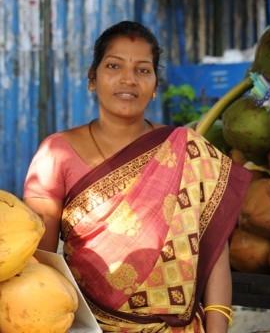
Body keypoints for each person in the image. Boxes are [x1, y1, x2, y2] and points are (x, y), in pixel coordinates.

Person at [24, 21, 251, 332]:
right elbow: (40, 266)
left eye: (143, 70)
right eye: (114, 66)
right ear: (93, 78)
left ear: (155, 85)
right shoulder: (57, 154)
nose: (128, 79)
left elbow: (216, 260)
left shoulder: (188, 151)